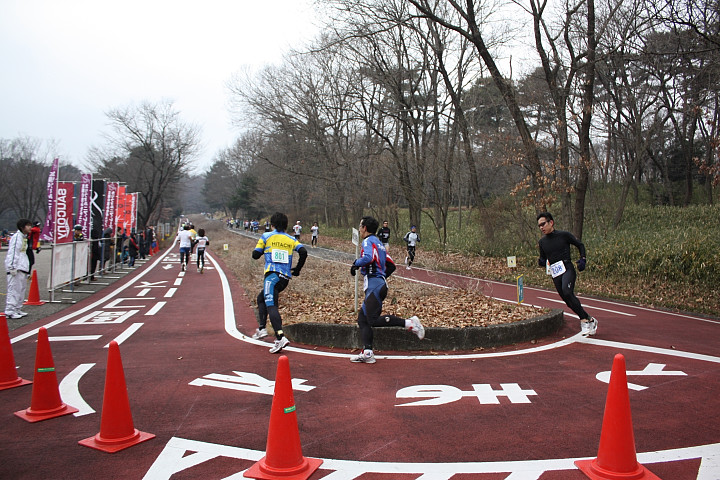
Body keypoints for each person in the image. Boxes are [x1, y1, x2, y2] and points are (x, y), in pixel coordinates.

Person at [350, 216, 424, 364]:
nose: (359, 228)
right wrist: (381, 278)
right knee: (363, 320)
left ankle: (410, 323)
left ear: (365, 228)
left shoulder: (367, 241)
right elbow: (391, 265)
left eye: (360, 225)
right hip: (377, 285)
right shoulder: (379, 243)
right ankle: (368, 352)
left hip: (375, 286)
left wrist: (355, 264)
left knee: (372, 320)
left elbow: (369, 258)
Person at [251, 212, 307, 354]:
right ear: (287, 225)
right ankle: (262, 328)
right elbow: (304, 252)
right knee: (261, 298)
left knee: (272, 305)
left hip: (272, 276)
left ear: (272, 224)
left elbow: (255, 255)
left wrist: (263, 250)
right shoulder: (291, 239)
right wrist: (298, 269)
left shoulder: (266, 236)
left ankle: (280, 337)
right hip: (285, 278)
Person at [537, 212, 598, 336]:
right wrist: (541, 261)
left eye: (543, 224)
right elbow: (543, 258)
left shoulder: (563, 235)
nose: (541, 227)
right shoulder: (542, 242)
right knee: (567, 299)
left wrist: (583, 259)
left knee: (567, 291)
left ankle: (584, 322)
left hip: (567, 268)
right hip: (555, 272)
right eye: (539, 226)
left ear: (551, 222)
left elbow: (580, 245)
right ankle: (590, 319)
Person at [4, 219, 32, 320]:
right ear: (22, 227)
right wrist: (12, 266)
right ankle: (10, 310)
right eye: (28, 226)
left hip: (22, 267)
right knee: (14, 289)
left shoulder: (24, 237)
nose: (30, 228)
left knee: (21, 289)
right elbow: (13, 252)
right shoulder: (17, 237)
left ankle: (17, 308)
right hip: (16, 267)